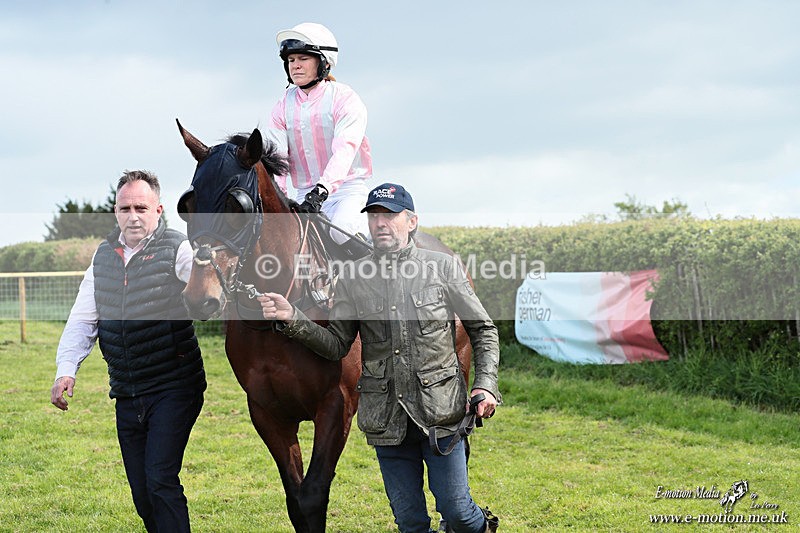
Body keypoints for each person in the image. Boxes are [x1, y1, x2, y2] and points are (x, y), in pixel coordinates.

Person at [258, 183, 501, 533]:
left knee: (458, 513)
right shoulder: (354, 278)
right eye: (373, 216)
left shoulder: (442, 267)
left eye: (389, 215)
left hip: (442, 413)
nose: (380, 224)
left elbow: (484, 330)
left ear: (411, 221)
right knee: (410, 523)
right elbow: (335, 344)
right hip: (387, 419)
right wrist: (293, 318)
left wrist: (486, 385)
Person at [50, 170, 206, 533]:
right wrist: (65, 369)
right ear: (115, 211)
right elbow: (82, 319)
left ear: (158, 209)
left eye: (141, 206)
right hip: (126, 391)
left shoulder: (178, 248)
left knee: (160, 480)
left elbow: (206, 294)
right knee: (142, 493)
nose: (133, 215)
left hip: (174, 386)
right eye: (125, 207)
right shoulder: (102, 257)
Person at [266, 21, 373, 258]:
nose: (295, 66)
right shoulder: (281, 106)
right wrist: (278, 200)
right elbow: (278, 161)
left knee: (341, 232)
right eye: (291, 60)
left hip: (346, 192)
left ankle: (379, 281)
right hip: (303, 196)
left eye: (302, 59)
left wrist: (322, 191)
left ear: (324, 62)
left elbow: (344, 151)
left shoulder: (345, 98)